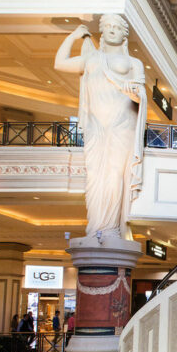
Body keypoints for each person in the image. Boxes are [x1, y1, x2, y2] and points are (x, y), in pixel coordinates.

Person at [54, 14, 148, 240]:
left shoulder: (134, 64)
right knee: (96, 175)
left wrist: (134, 93)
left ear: (124, 35)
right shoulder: (91, 59)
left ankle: (111, 228)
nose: (112, 30)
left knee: (116, 174)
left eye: (117, 27)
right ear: (102, 32)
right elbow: (59, 63)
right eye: (108, 27)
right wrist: (73, 36)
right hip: (97, 127)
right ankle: (96, 226)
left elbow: (142, 95)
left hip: (122, 125)